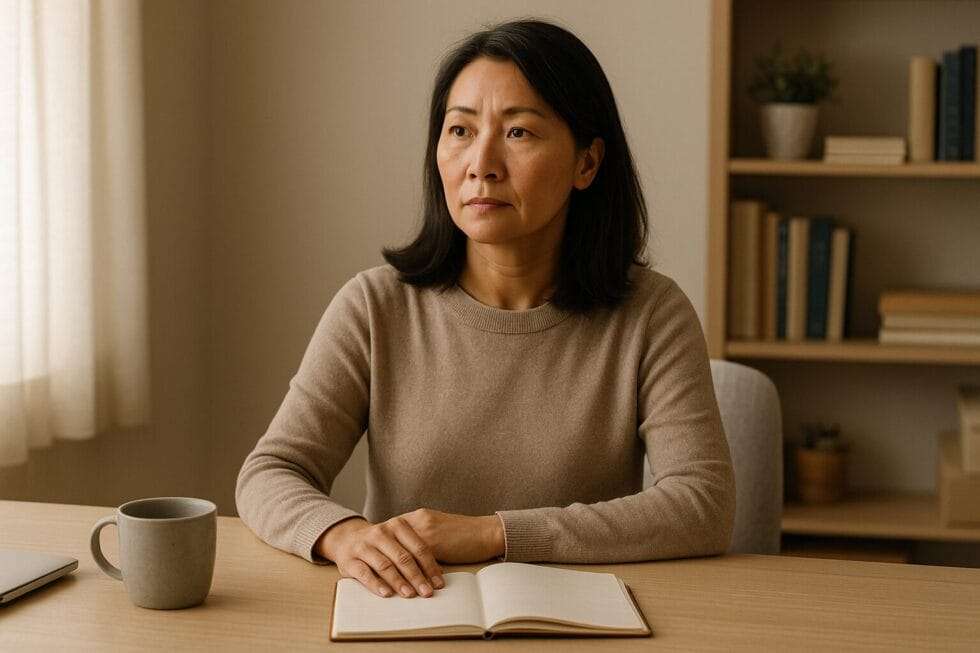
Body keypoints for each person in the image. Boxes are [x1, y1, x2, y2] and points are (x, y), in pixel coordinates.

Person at [236, 18, 735, 602]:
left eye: (518, 132)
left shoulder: (651, 313)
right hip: (408, 615)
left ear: (587, 164)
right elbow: (270, 472)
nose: (482, 163)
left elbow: (703, 503)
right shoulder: (375, 307)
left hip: (574, 623)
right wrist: (342, 535)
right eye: (460, 130)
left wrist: (495, 534)